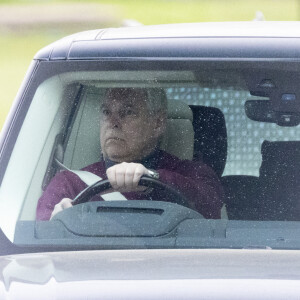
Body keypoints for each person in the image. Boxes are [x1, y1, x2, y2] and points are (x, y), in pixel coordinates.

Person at [36, 88, 224, 220]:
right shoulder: (70, 183)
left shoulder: (191, 174)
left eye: (128, 112)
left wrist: (152, 179)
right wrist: (56, 224)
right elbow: (41, 248)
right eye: (106, 112)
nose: (113, 122)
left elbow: (212, 207)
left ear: (157, 123)